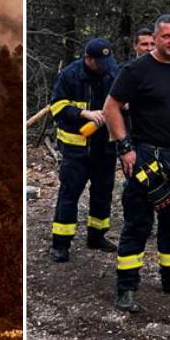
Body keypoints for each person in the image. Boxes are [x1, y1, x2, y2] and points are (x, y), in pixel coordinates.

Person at [104, 14, 170, 313]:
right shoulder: (136, 70)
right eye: (167, 37)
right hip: (148, 156)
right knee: (139, 221)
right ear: (156, 39)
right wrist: (125, 147)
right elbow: (111, 107)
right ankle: (127, 287)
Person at [47, 38, 119, 263]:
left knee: (102, 194)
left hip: (104, 147)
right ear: (88, 59)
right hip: (76, 150)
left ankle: (97, 236)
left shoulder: (111, 73)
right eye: (100, 62)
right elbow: (57, 107)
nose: (105, 66)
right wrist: (83, 114)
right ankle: (61, 243)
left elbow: (120, 102)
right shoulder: (69, 75)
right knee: (69, 195)